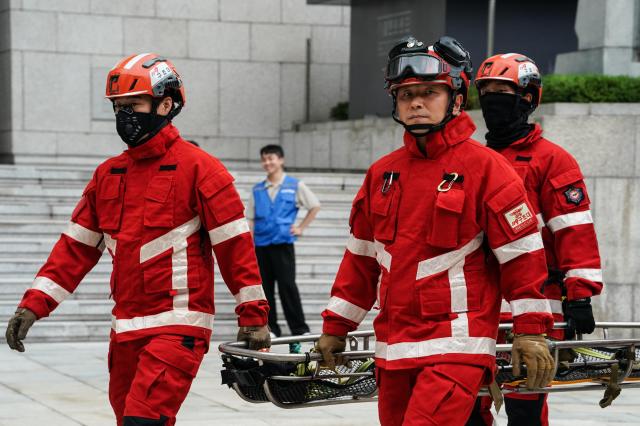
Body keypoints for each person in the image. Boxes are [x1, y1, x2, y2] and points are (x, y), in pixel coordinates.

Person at [4, 53, 270, 426]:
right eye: (118, 107)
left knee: (143, 422)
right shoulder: (108, 175)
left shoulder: (201, 169)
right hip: (124, 331)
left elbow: (234, 246)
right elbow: (74, 249)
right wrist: (33, 305)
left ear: (166, 104)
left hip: (178, 327)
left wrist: (254, 316)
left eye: (133, 105)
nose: (124, 116)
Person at [316, 36, 556, 426]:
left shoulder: (488, 169)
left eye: (429, 92)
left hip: (457, 345)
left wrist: (530, 331)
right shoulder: (382, 174)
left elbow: (523, 256)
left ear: (456, 99)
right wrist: (336, 326)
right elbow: (360, 259)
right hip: (393, 349)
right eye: (406, 94)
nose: (416, 102)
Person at [466, 53, 603, 426]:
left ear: (528, 97)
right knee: (467, 405)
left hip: (537, 301)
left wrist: (579, 295)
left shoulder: (552, 160)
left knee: (526, 405)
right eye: (487, 90)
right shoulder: (471, 159)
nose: (493, 97)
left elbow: (573, 229)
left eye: (503, 90)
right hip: (478, 304)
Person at [246, 145, 321, 351]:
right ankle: (272, 328)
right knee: (266, 289)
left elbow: (314, 205)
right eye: (264, 160)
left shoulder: (294, 185)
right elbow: (250, 219)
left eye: (271, 159)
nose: (267, 163)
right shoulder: (257, 189)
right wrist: (249, 245)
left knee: (288, 286)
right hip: (261, 245)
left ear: (281, 160)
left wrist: (301, 227)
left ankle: (299, 328)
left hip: (283, 244)